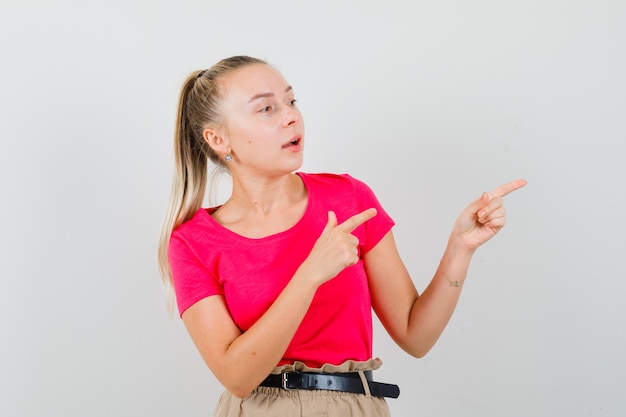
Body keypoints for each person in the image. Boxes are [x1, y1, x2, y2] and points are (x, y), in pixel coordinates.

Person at [158, 55, 526, 417]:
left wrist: (460, 248)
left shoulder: (349, 198)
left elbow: (417, 336)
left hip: (353, 407)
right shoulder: (193, 242)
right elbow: (236, 376)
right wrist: (310, 274)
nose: (291, 116)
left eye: (291, 100)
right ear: (218, 139)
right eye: (266, 109)